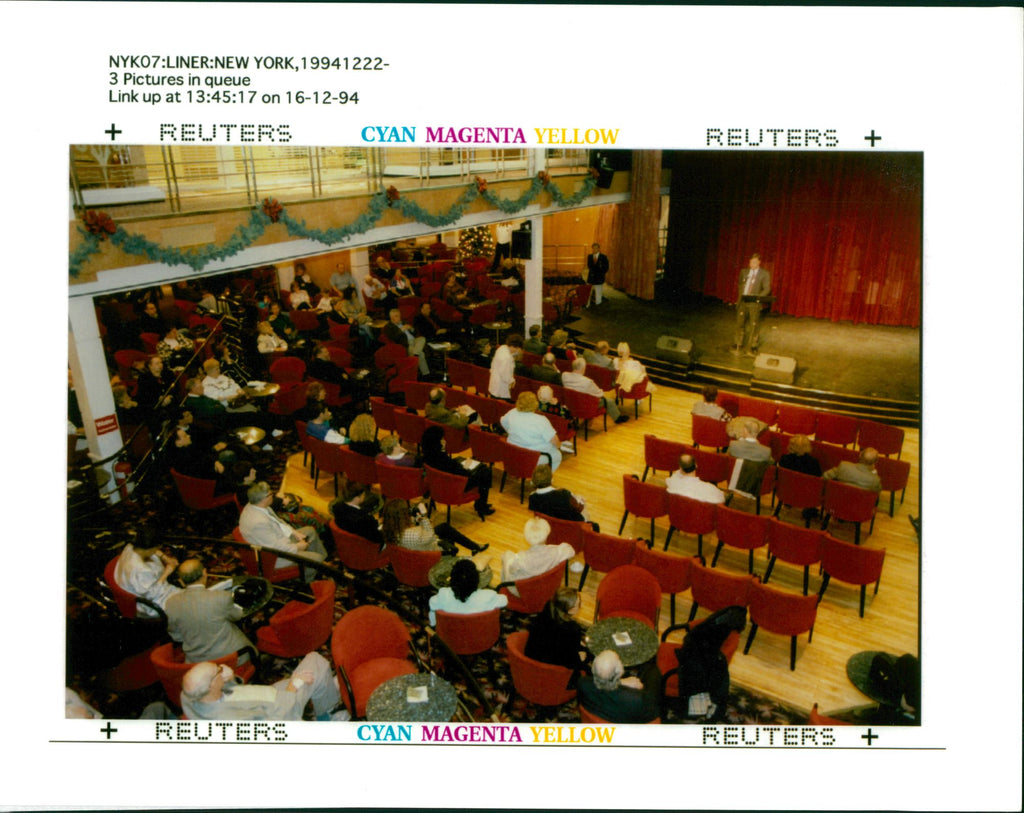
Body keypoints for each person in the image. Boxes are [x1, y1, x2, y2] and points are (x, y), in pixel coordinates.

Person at [181, 652, 342, 722]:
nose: (222, 668)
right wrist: (292, 687)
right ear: (212, 685)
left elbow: (225, 692)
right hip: (283, 710)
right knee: (316, 661)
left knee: (313, 675)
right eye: (218, 670)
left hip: (264, 696)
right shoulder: (231, 721)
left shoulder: (189, 694)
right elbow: (275, 724)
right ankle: (328, 714)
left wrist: (229, 679)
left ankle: (325, 693)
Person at [165, 558, 254, 664]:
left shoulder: (170, 603)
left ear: (181, 581)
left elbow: (177, 636)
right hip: (232, 658)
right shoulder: (222, 597)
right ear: (204, 573)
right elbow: (237, 616)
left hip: (197, 663)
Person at [239, 481, 328, 581]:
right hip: (275, 557)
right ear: (264, 499)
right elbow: (274, 547)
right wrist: (297, 547)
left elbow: (278, 522)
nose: (273, 496)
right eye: (271, 494)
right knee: (316, 559)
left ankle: (321, 565)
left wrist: (294, 532)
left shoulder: (256, 505)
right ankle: (308, 580)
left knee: (310, 531)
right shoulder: (259, 523)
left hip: (278, 539)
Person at [419, 424, 494, 518]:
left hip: (438, 486)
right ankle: (481, 506)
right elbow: (464, 475)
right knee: (485, 472)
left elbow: (449, 466)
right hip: (455, 487)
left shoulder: (427, 456)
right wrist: (466, 466)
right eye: (442, 439)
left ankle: (480, 504)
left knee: (474, 466)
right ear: (437, 442)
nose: (444, 440)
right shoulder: (443, 459)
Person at [578, 649, 661, 724]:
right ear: (621, 671)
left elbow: (601, 682)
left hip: (599, 720)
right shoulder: (637, 699)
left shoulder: (583, 683)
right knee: (653, 671)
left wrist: (621, 682)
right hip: (626, 730)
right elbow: (652, 720)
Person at [113, 527, 182, 617]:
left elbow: (152, 549)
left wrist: (164, 557)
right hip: (149, 604)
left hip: (141, 589)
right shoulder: (141, 570)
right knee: (186, 603)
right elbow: (152, 594)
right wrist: (167, 572)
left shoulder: (130, 547)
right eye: (156, 548)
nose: (157, 550)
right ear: (150, 548)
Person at [380, 498, 487, 555]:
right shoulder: (414, 533)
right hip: (429, 553)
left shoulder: (386, 528)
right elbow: (431, 535)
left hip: (413, 548)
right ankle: (473, 548)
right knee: (448, 537)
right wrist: (424, 517)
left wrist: (416, 520)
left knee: (444, 527)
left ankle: (474, 547)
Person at [500, 517, 575, 593]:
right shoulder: (556, 552)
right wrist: (553, 547)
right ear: (547, 533)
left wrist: (506, 558)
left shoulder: (519, 560)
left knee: (506, 557)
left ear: (526, 537)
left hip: (524, 592)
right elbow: (571, 551)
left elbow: (508, 573)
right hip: (547, 587)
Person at [524, 587, 589, 672]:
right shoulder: (571, 630)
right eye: (579, 604)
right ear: (570, 610)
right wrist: (578, 658)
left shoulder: (544, 614)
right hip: (548, 668)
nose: (581, 606)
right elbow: (569, 662)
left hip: (532, 656)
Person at [428, 557, 507, 626]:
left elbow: (433, 616)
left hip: (450, 635)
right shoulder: (489, 596)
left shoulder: (442, 595)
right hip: (481, 634)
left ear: (452, 580)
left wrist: (433, 623)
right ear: (477, 580)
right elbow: (504, 601)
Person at [500, 391, 562, 471]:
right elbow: (554, 440)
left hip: (513, 453)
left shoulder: (512, 412)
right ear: (535, 404)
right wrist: (559, 446)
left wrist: (513, 432)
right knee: (557, 455)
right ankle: (540, 477)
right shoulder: (541, 420)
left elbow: (503, 422)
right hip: (533, 457)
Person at [561, 356, 627, 424]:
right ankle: (618, 418)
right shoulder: (587, 382)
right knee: (609, 401)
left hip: (571, 404)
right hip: (585, 406)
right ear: (583, 368)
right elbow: (599, 394)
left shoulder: (564, 376)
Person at [733, 253, 772, 356]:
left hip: (754, 303)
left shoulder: (764, 274)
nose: (752, 264)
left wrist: (757, 298)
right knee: (740, 323)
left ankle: (753, 346)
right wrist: (741, 296)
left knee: (754, 325)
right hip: (743, 302)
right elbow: (740, 284)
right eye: (751, 262)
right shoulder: (744, 272)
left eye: (754, 262)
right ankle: (738, 343)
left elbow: (767, 289)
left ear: (759, 262)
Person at [528, 463, 592, 524]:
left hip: (549, 526)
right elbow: (578, 508)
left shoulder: (532, 498)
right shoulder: (563, 494)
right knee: (583, 506)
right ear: (552, 480)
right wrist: (581, 501)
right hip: (572, 525)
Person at [329, 480, 385, 547]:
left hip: (346, 544)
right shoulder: (365, 519)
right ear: (359, 496)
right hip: (365, 547)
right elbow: (377, 537)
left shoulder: (337, 508)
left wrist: (377, 522)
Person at [383, 308, 429, 376]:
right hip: (407, 343)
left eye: (399, 316)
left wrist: (411, 328)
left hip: (415, 341)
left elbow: (415, 333)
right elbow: (394, 338)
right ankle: (425, 374)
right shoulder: (389, 327)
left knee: (422, 338)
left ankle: (415, 353)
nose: (399, 318)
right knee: (421, 354)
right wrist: (401, 330)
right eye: (396, 316)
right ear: (391, 318)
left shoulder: (404, 322)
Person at [488, 333, 523, 400]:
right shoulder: (506, 358)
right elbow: (505, 376)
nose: (516, 350)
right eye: (516, 348)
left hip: (494, 383)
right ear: (513, 346)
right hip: (500, 388)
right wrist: (512, 381)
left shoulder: (502, 348)